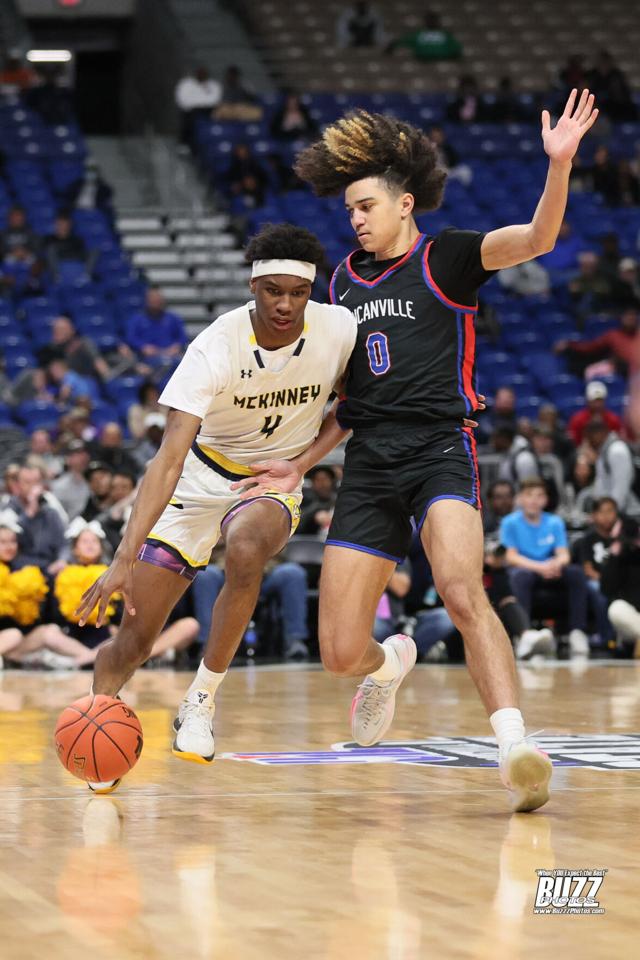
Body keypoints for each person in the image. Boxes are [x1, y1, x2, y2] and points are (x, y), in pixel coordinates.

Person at [250, 90, 598, 812]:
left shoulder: (451, 257)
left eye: (366, 207)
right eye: (349, 211)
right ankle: (392, 662)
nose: (355, 220)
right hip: (370, 459)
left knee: (463, 589)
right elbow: (348, 404)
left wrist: (558, 166)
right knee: (342, 651)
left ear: (405, 204)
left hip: (442, 445)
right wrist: (300, 462)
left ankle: (514, 746)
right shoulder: (343, 282)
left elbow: (537, 238)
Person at [74, 223, 358, 793]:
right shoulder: (214, 346)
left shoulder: (339, 329)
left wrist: (302, 464)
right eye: (272, 291)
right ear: (252, 288)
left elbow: (353, 408)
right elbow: (166, 460)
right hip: (199, 477)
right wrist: (124, 558)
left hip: (270, 479)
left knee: (249, 546)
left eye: (297, 292)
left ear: (312, 292)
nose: (285, 304)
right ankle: (96, 735)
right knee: (132, 641)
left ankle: (201, 699)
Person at [500, 478, 590, 656]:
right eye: (529, 495)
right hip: (527, 569)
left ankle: (577, 632)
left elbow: (564, 554)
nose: (534, 500)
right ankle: (523, 635)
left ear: (546, 500)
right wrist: (540, 567)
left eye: (539, 495)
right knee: (520, 576)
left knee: (576, 573)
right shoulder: (509, 522)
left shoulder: (554, 522)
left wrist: (556, 563)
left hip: (551, 570)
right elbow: (511, 556)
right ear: (520, 499)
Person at [573, 496, 630, 647]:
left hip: (619, 580)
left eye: (610, 511)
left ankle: (627, 639)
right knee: (600, 592)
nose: (606, 516)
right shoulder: (588, 539)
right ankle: (606, 637)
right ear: (594, 515)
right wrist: (606, 580)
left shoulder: (622, 537)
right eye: (602, 512)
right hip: (595, 580)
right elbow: (587, 568)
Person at [6, 464, 66, 573]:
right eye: (28, 482)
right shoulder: (8, 509)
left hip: (50, 569)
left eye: (37, 482)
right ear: (18, 485)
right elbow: (9, 545)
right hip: (19, 570)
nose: (33, 487)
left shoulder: (51, 512)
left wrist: (62, 560)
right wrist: (29, 513)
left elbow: (63, 544)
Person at [556, 308, 639, 378]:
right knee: (591, 371)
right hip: (618, 369)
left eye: (633, 316)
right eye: (628, 316)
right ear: (622, 317)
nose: (630, 319)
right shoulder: (613, 335)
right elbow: (590, 347)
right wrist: (570, 345)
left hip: (636, 372)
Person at [582, 419, 640, 517]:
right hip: (612, 513)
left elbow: (621, 489)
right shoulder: (604, 450)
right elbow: (601, 484)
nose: (589, 442)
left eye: (590, 437)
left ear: (600, 434)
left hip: (629, 513)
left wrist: (610, 514)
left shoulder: (617, 451)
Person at [126, 288, 188, 375]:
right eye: (152, 299)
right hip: (148, 358)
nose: (155, 302)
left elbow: (183, 338)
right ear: (147, 301)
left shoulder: (173, 318)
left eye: (157, 299)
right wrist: (143, 347)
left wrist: (176, 346)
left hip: (172, 356)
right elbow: (131, 338)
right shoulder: (137, 320)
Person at [175, 66, 222, 147]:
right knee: (190, 120)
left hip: (209, 112)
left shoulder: (213, 85)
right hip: (190, 112)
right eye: (200, 73)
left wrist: (198, 101)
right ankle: (186, 144)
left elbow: (215, 100)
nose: (201, 75)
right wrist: (200, 102)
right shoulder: (186, 84)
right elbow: (182, 101)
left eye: (204, 74)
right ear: (196, 74)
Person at [388, 11, 462, 62]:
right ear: (425, 21)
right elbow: (402, 41)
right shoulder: (419, 35)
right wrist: (392, 45)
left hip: (443, 61)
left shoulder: (445, 35)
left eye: (434, 20)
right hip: (422, 62)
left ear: (438, 21)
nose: (432, 22)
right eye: (429, 20)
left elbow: (456, 49)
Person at [567, 380, 624, 446]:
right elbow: (573, 442)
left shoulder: (613, 419)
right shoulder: (577, 420)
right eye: (594, 401)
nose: (597, 404)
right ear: (588, 401)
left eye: (600, 400)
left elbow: (618, 440)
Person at [42, 214, 95, 281]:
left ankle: (85, 276)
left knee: (94, 251)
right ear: (55, 225)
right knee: (50, 249)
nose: (61, 226)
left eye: (64, 224)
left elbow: (81, 254)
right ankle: (57, 277)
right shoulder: (49, 239)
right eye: (59, 224)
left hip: (75, 262)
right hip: (58, 264)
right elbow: (46, 254)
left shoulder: (76, 239)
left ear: (69, 225)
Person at [51, 440, 91, 521]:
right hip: (71, 528)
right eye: (76, 454)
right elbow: (57, 516)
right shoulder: (59, 486)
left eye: (83, 452)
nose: (81, 457)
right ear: (68, 459)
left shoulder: (96, 480)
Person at [299, 465, 338, 535]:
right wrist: (314, 515)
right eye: (318, 480)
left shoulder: (338, 499)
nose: (322, 484)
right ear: (312, 483)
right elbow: (297, 524)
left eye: (325, 479)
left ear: (332, 481)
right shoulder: (303, 499)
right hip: (308, 541)